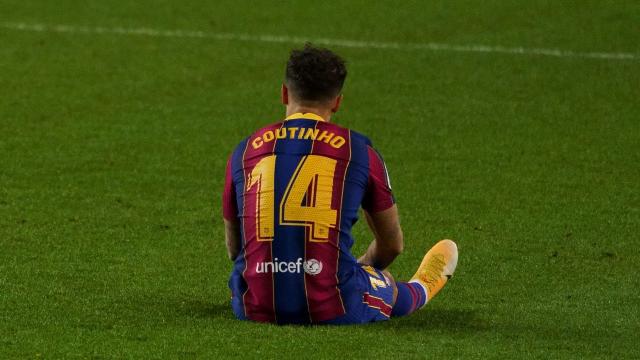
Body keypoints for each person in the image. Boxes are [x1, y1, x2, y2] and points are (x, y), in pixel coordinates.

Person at [222, 44, 458, 325]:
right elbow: (392, 245)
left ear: (284, 92)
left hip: (252, 306)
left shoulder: (245, 149)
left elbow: (236, 249)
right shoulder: (357, 150)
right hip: (331, 306)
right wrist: (362, 267)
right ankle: (420, 288)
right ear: (337, 102)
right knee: (386, 284)